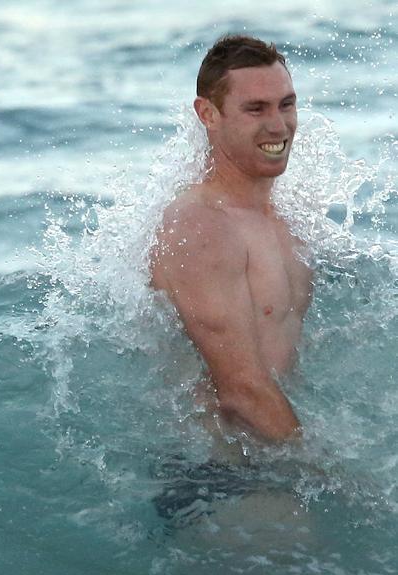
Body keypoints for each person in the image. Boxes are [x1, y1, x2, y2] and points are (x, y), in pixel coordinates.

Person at [150, 35, 312, 444]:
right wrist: (327, 474)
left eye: (286, 104)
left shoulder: (283, 218)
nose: (278, 125)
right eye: (256, 109)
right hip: (217, 470)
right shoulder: (201, 225)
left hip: (266, 448)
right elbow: (240, 389)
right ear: (208, 114)